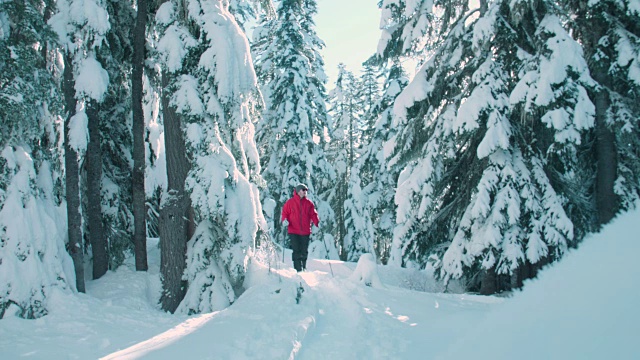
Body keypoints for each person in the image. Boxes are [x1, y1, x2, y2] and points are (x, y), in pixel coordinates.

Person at [281, 183, 319, 272]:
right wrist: (284, 220)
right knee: (296, 250)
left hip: (305, 231)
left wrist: (317, 222)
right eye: (303, 190)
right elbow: (284, 213)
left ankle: (303, 266)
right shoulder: (290, 202)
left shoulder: (309, 203)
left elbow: (313, 214)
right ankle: (297, 268)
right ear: (298, 191)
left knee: (304, 250)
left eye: (306, 190)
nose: (305, 192)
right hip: (293, 231)